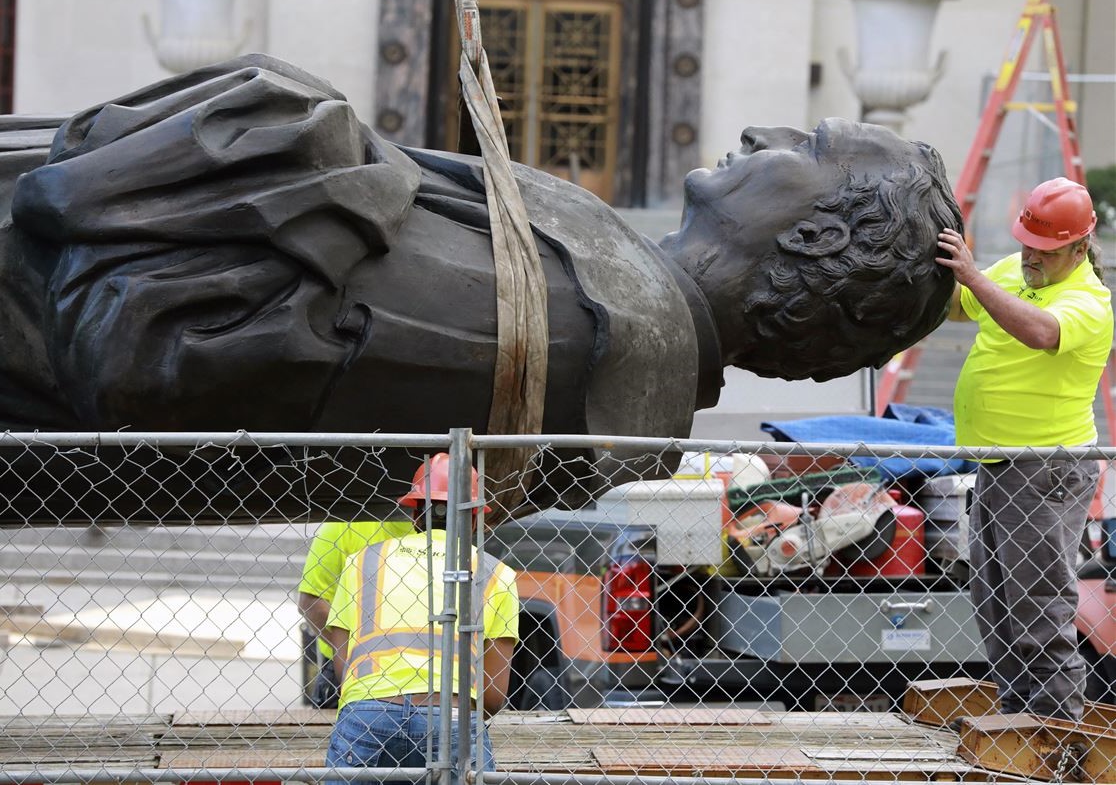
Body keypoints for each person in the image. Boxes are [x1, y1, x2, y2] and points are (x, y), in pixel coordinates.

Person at [0, 54, 958, 514]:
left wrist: (293, 122)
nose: (762, 134)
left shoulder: (583, 331)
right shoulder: (600, 299)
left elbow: (157, 342)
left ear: (820, 236)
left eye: (809, 146)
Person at [935, 177, 1113, 721]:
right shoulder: (1016, 269)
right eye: (1026, 244)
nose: (1030, 257)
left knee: (1038, 605)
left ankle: (1056, 733)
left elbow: (1040, 331)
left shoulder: (1089, 300)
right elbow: (959, 306)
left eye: (1045, 251)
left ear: (1079, 248)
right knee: (996, 606)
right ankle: (1018, 722)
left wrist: (972, 275)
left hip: (1045, 468)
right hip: (999, 463)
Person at [323, 453, 519, 784]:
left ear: (415, 513)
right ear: (474, 520)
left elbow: (345, 669)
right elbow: (493, 695)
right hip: (454, 716)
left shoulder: (363, 561)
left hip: (369, 712)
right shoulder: (496, 574)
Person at [298, 517, 414, 708]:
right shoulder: (345, 524)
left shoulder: (444, 529)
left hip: (424, 668)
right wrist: (353, 657)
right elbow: (311, 601)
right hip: (348, 665)